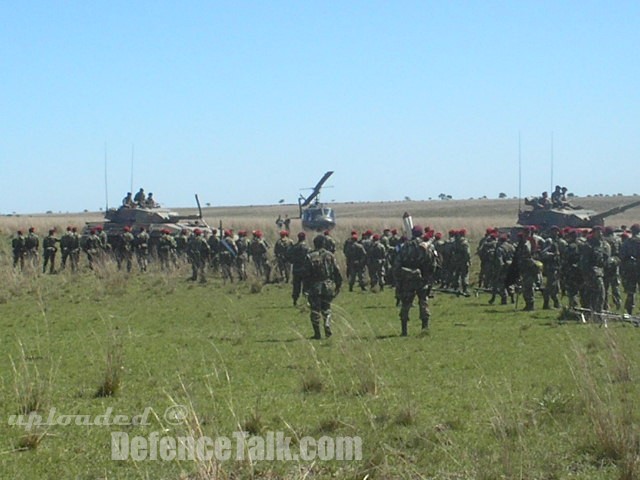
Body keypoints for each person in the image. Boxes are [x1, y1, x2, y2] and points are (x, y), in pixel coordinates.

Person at [393, 225, 438, 336]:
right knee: (423, 301)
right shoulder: (427, 246)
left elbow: (397, 264)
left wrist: (399, 278)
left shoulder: (405, 246)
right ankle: (425, 327)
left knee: (406, 304)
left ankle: (404, 330)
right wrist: (429, 276)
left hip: (407, 279)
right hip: (422, 279)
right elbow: (433, 264)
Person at [301, 234, 343, 339]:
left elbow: (306, 274)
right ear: (324, 243)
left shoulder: (310, 256)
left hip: (315, 286)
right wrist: (338, 285)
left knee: (315, 310)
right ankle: (327, 323)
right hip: (328, 285)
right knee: (327, 308)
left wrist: (305, 288)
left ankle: (317, 333)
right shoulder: (330, 255)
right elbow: (337, 271)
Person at [620, 223, 640, 314]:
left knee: (630, 292)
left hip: (630, 270)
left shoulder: (626, 242)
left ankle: (629, 311)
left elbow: (622, 256)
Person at [287, 232, 309, 306]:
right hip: (305, 269)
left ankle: (295, 301)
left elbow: (289, 257)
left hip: (296, 269)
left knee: (296, 286)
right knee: (306, 285)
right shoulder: (306, 247)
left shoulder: (294, 247)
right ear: (304, 238)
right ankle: (306, 301)